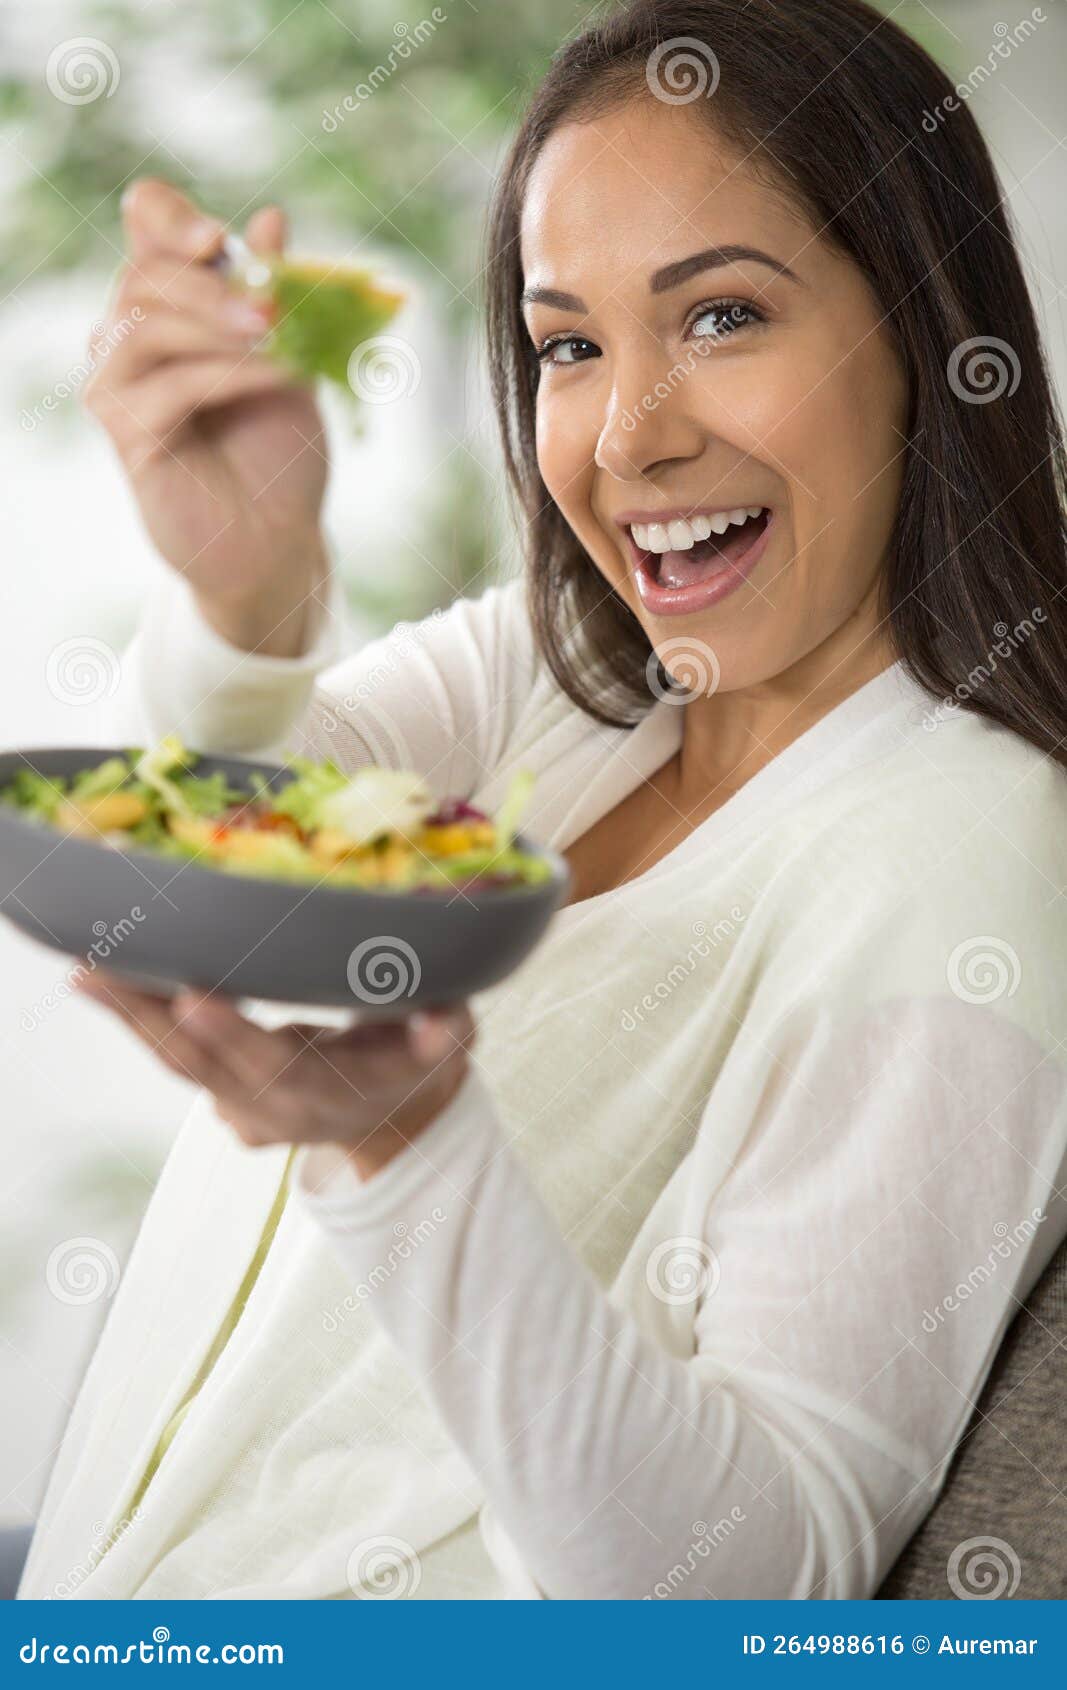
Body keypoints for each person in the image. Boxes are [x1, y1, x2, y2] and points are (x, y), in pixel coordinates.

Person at [18, 0, 1067, 1600]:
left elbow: (744, 1585)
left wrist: (409, 1143)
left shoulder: (969, 857)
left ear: (925, 340)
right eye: (570, 345)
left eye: (722, 315)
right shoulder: (568, 679)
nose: (630, 437)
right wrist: (244, 596)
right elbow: (189, 882)